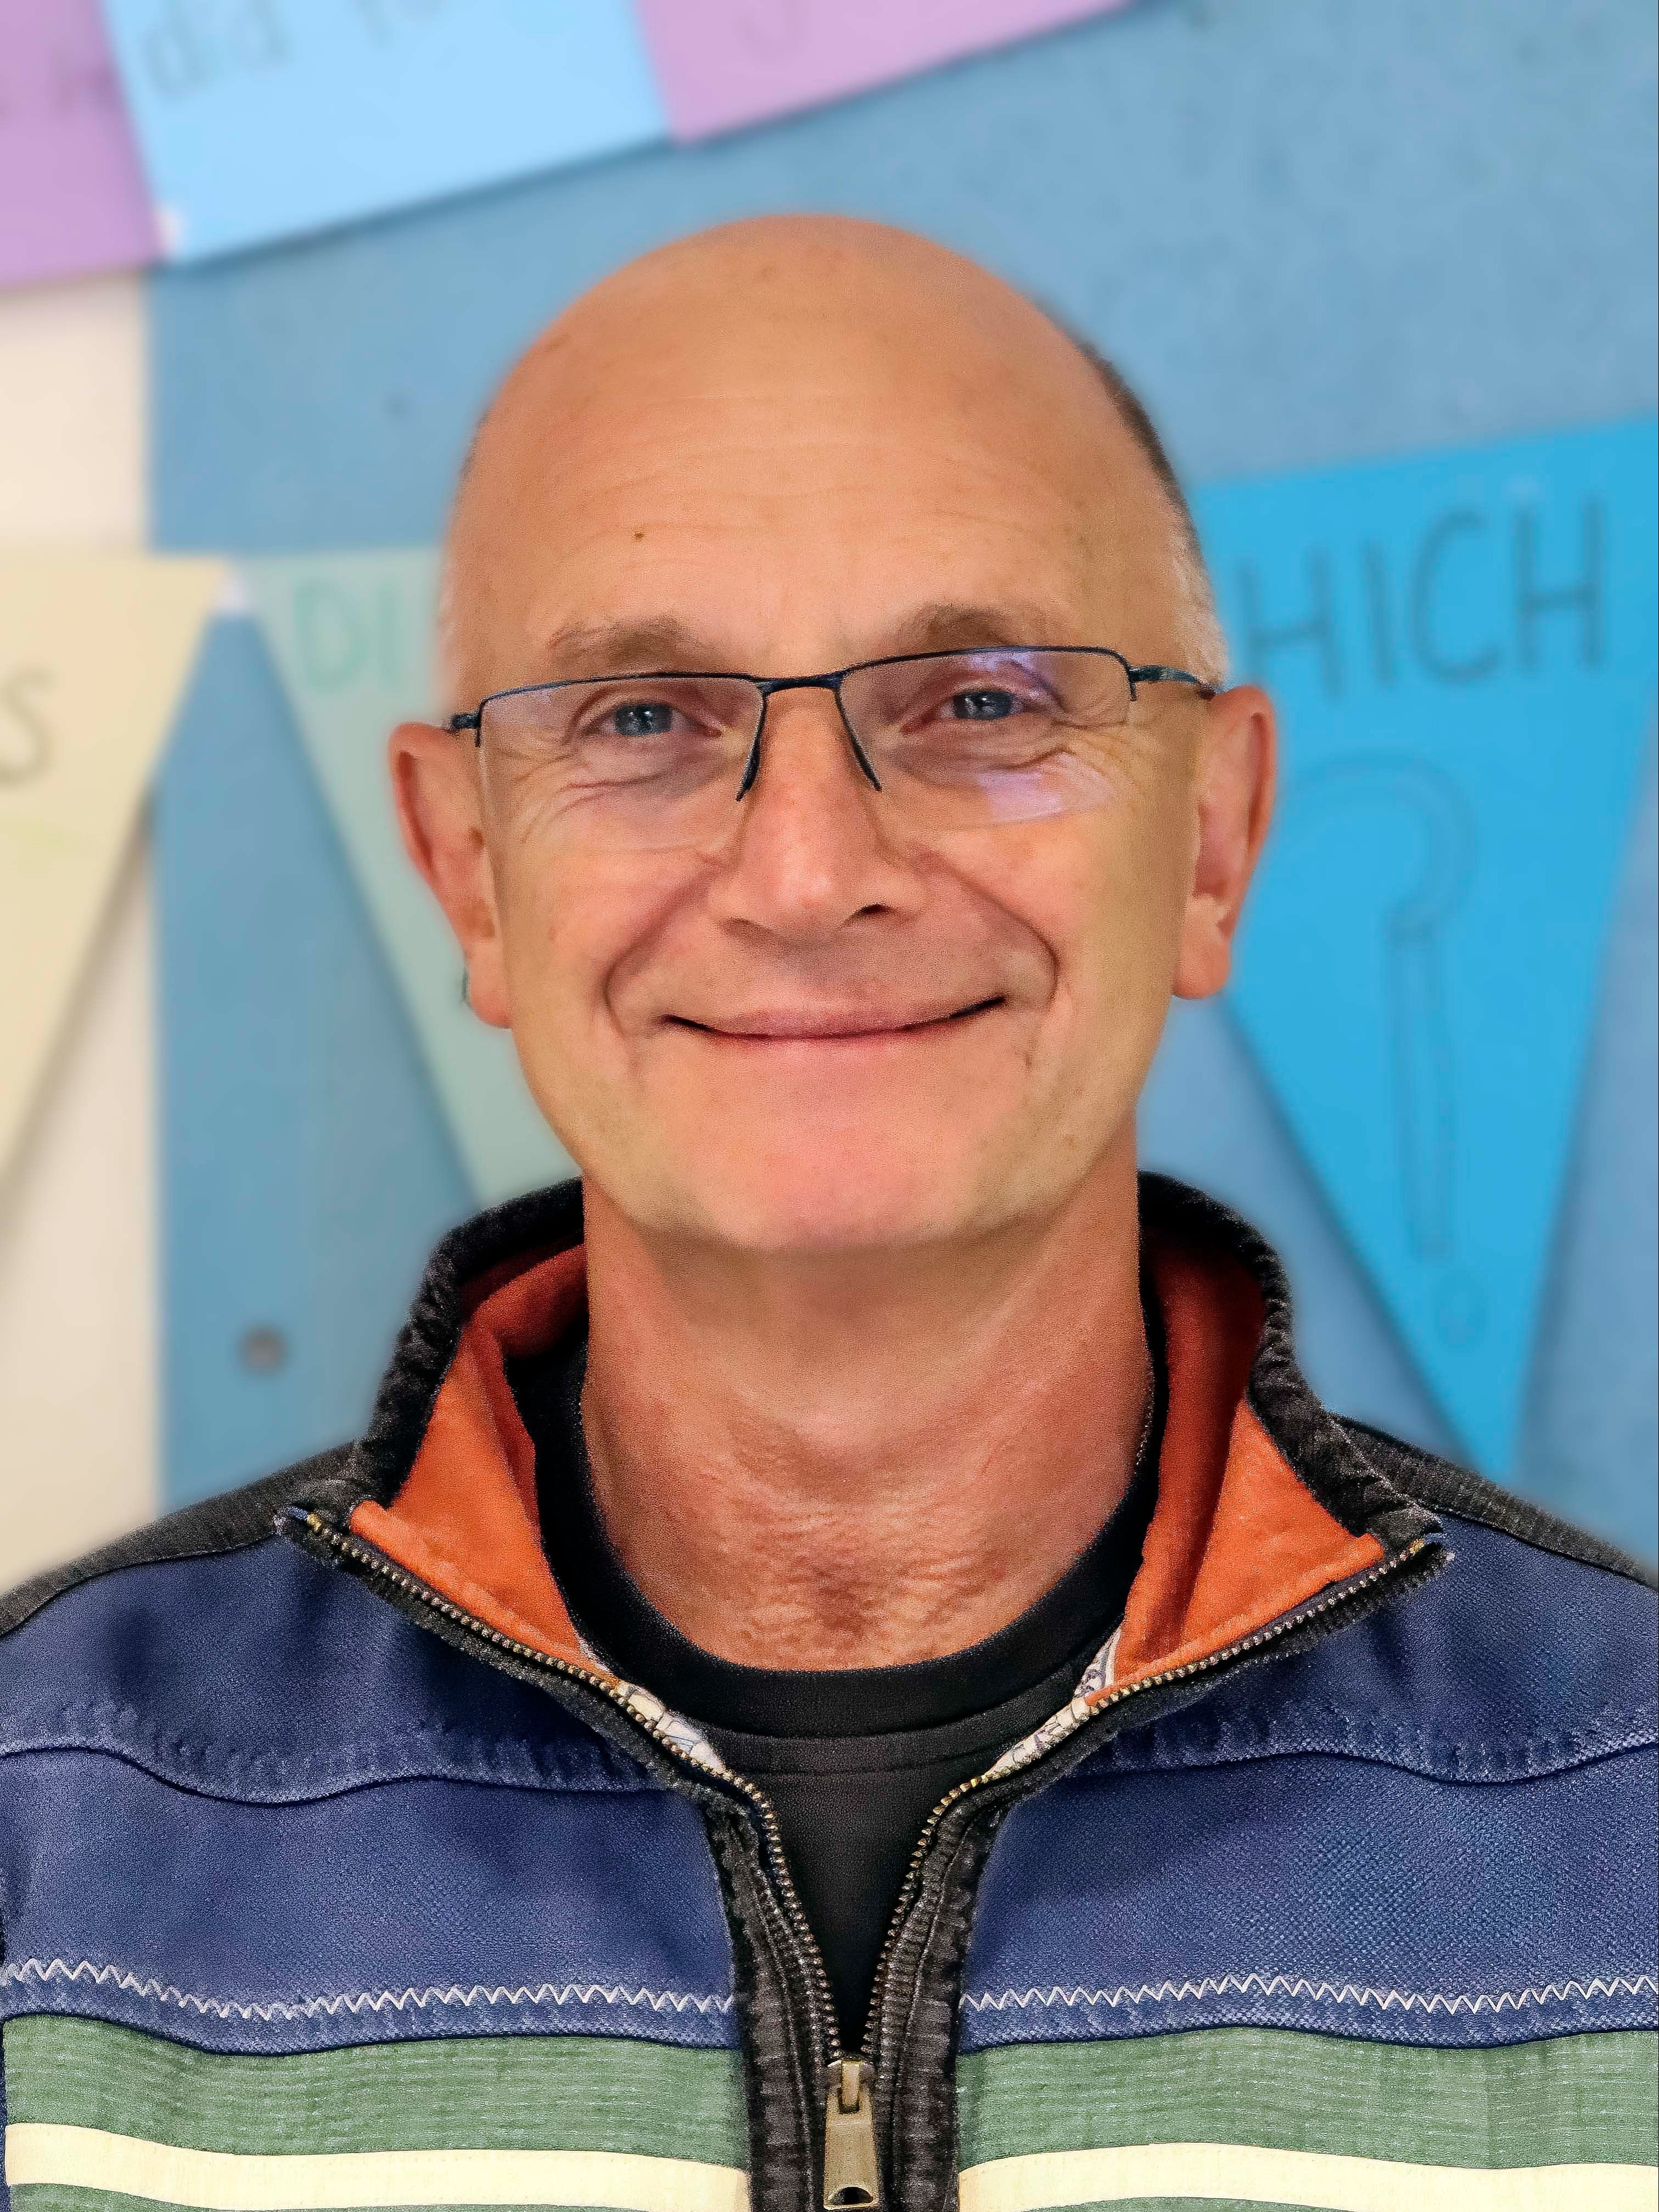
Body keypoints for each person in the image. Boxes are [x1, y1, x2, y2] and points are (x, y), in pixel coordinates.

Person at [1, 218, 1652, 2211]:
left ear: (1213, 840)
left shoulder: (1626, 1806)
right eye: (642, 720)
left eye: (983, 703)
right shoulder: (46, 1827)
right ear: (468, 871)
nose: (805, 871)